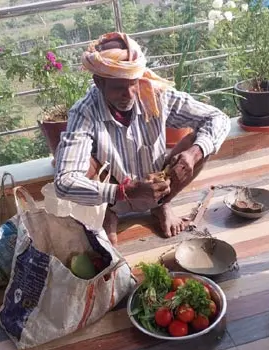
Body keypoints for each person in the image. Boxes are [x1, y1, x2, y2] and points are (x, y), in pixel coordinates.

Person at [54, 32, 230, 245]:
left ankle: (161, 205)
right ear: (99, 82)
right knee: (74, 163)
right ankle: (108, 213)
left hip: (159, 185)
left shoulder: (155, 94)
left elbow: (218, 118)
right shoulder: (84, 112)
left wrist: (195, 153)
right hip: (113, 192)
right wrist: (125, 191)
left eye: (133, 83)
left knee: (201, 143)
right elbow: (64, 183)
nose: (129, 94)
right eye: (119, 87)